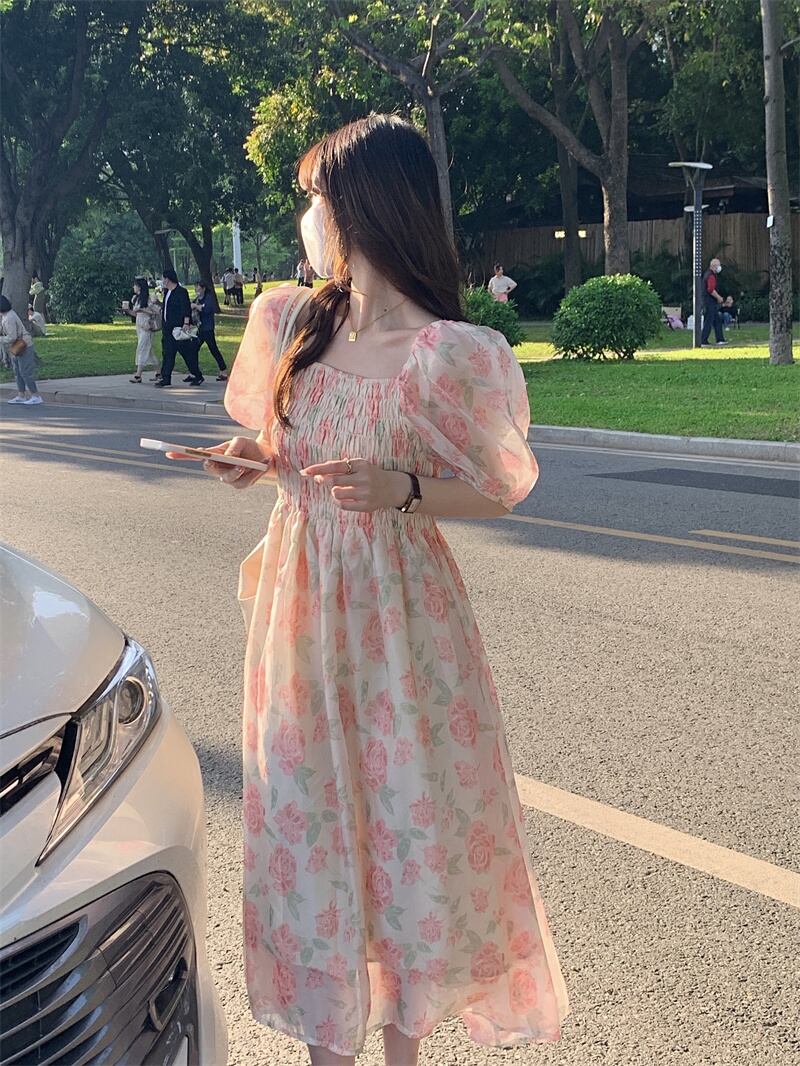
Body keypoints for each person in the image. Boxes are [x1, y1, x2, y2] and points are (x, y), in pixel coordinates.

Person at [184, 114, 569, 1065]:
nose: (308, 217)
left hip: (405, 632)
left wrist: (402, 488)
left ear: (362, 204)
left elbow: (499, 489)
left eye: (315, 197)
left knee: (409, 831)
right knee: (313, 831)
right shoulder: (294, 322)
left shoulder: (448, 351)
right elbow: (289, 450)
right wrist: (256, 457)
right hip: (300, 625)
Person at [158, 269, 203, 387]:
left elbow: (185, 308)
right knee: (168, 353)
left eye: (163, 278)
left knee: (187, 354)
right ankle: (166, 377)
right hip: (168, 328)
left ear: (168, 279)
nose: (162, 281)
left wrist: (186, 323)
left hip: (178, 328)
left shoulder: (181, 292)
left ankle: (197, 375)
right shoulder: (167, 292)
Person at [1, 295, 42, 404]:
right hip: (16, 347)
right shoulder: (7, 315)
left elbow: (12, 337)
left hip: (24, 346)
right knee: (18, 372)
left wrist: (1, 339)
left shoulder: (9, 318)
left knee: (25, 372)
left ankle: (35, 395)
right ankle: (21, 395)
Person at [123, 277, 161, 383]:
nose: (133, 287)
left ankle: (138, 375)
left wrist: (143, 310)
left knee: (142, 348)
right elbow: (136, 314)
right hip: (139, 326)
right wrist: (127, 311)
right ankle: (159, 372)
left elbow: (156, 312)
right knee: (149, 351)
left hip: (147, 326)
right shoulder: (136, 299)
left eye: (135, 285)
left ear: (139, 287)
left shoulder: (148, 299)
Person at [191, 281, 228, 381]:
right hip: (199, 329)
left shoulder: (208, 298)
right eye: (195, 287)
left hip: (207, 328)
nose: (196, 289)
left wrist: (196, 307)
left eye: (198, 287)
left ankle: (223, 371)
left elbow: (206, 309)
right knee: (193, 349)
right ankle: (194, 372)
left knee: (213, 349)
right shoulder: (197, 299)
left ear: (203, 288)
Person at [701, 257, 726, 346]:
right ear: (714, 266)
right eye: (718, 265)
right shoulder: (710, 276)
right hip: (710, 302)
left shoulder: (708, 274)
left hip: (709, 302)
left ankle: (720, 339)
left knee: (717, 320)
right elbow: (710, 289)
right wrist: (719, 297)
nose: (719, 267)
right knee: (709, 321)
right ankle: (703, 340)